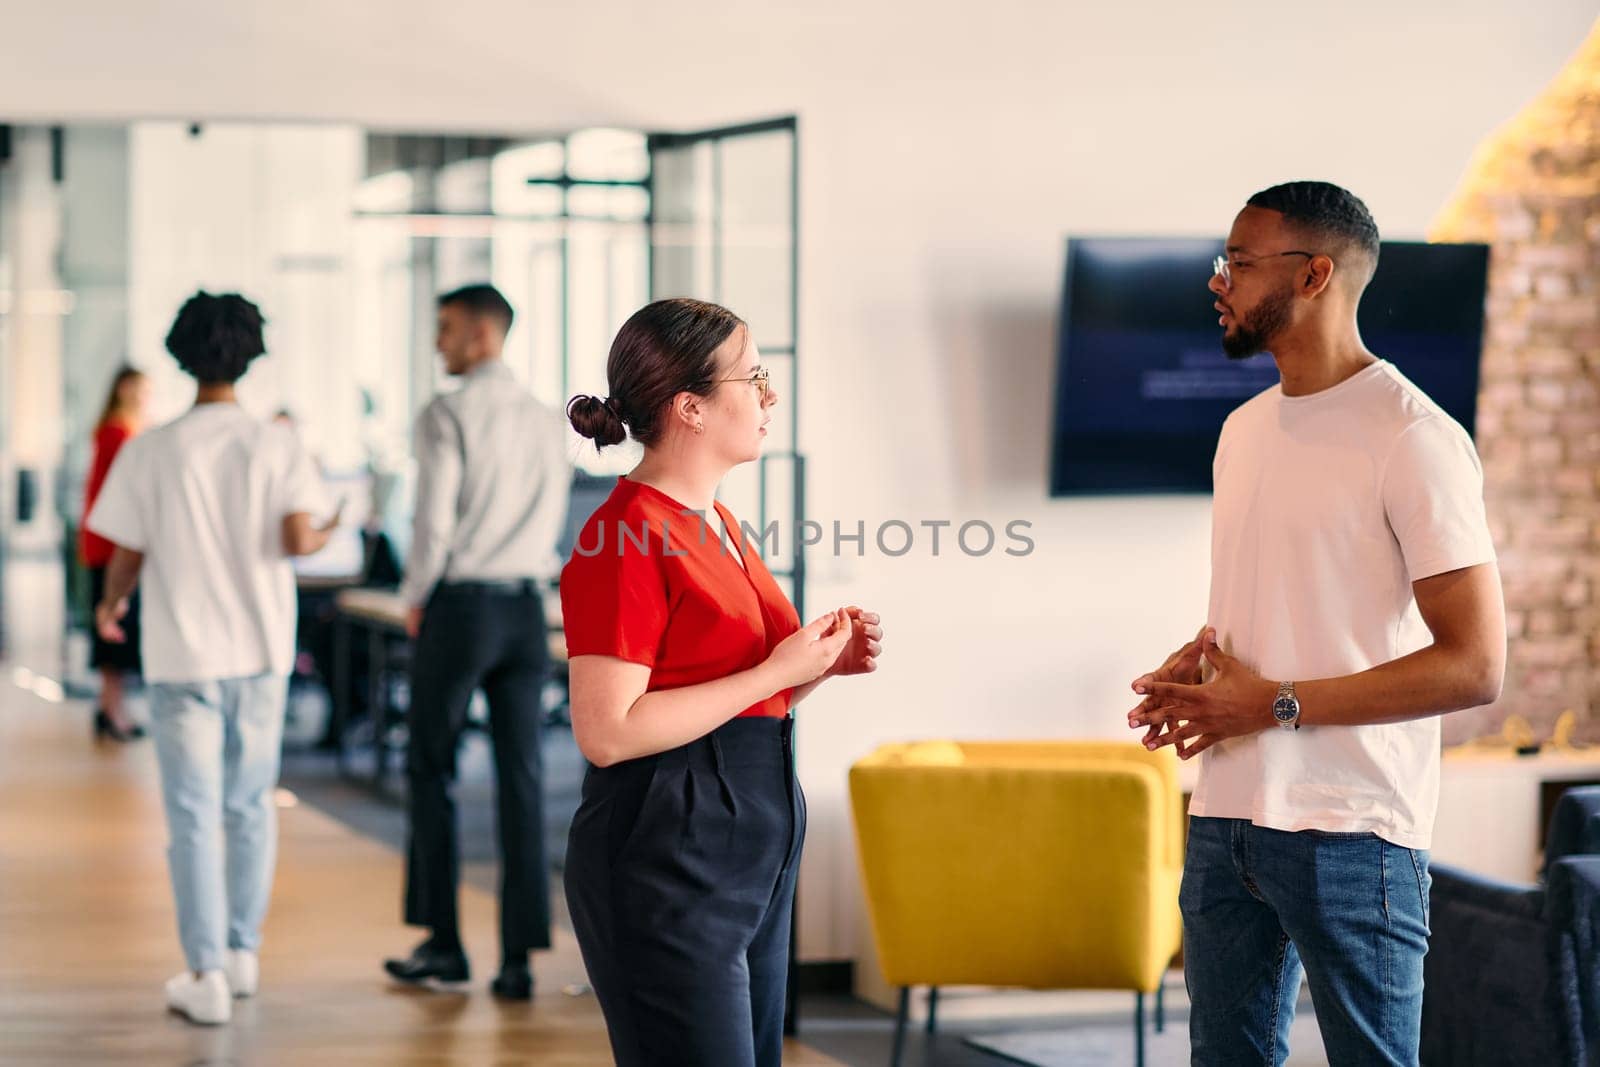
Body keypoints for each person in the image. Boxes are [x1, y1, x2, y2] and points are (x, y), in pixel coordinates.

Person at [1126, 182, 1505, 1065]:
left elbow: (1475, 665)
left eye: (1240, 262)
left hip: (1353, 831)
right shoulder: (1243, 430)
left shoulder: (1414, 436)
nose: (1218, 281)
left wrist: (1274, 704)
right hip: (1226, 816)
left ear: (1315, 275)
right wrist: (1205, 664)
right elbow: (1292, 604)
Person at [561, 298, 885, 1067]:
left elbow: (729, 694)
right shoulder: (622, 534)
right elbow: (608, 731)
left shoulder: (719, 522)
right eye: (754, 375)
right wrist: (776, 670)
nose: (769, 395)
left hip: (750, 854)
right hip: (667, 855)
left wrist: (809, 671)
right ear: (691, 409)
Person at [87, 291, 338, 1025]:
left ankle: (205, 975)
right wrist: (332, 526)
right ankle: (241, 950)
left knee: (193, 813)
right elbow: (299, 539)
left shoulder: (152, 447)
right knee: (250, 803)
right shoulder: (278, 443)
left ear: (180, 353)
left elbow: (126, 550)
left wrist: (109, 605)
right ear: (251, 355)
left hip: (181, 654)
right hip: (261, 650)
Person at [382, 284, 571, 1002]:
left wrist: (414, 597)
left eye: (447, 329)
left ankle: (444, 943)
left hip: (460, 606)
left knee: (431, 766)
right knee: (522, 776)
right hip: (525, 607)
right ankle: (518, 958)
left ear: (483, 335)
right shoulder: (547, 419)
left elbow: (431, 520)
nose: (439, 342)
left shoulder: (446, 412)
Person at [80, 365, 151, 742]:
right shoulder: (118, 432)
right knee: (114, 630)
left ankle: (111, 708)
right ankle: (111, 709)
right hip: (111, 548)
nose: (145, 397)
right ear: (124, 388)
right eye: (141, 389)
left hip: (107, 544)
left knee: (113, 630)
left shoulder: (120, 429)